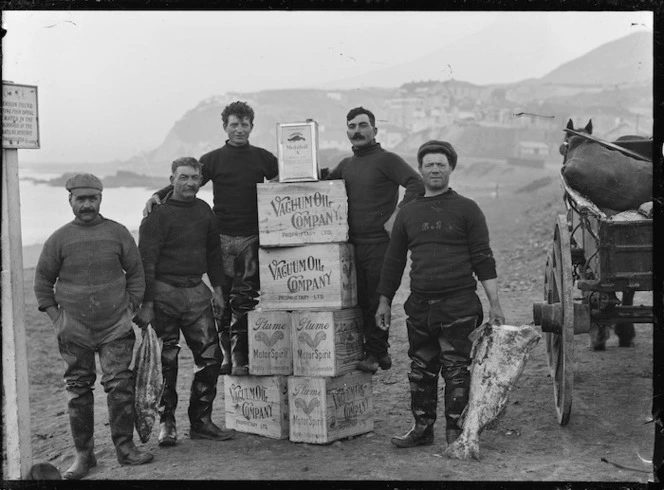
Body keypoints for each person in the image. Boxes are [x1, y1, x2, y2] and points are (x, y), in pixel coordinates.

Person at [374, 140, 505, 448]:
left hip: (459, 304)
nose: (435, 169)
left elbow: (483, 258)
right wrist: (383, 301)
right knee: (420, 369)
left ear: (451, 169)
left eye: (441, 165)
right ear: (420, 170)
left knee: (457, 370)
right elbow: (393, 262)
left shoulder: (467, 209)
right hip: (420, 305)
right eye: (429, 164)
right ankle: (422, 429)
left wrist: (495, 303)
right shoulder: (407, 213)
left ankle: (456, 433)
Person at [144, 101, 279, 376]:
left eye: (244, 125)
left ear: (251, 127)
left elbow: (285, 185)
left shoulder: (264, 158)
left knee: (243, 301)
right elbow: (187, 183)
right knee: (221, 303)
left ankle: (242, 359)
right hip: (220, 238)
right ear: (225, 127)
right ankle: (227, 357)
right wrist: (158, 194)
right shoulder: (214, 159)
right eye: (234, 125)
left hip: (252, 237)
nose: (239, 130)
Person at [34, 173, 153, 480]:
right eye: (80, 199)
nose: (87, 204)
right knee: (77, 388)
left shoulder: (118, 233)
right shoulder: (58, 239)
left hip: (115, 326)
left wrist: (128, 310)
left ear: (101, 199)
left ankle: (125, 449)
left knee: (119, 384)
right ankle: (84, 456)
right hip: (74, 331)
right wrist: (58, 321)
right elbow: (43, 283)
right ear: (70, 200)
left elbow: (136, 275)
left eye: (93, 198)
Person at [134, 157, 237, 447]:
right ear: (172, 179)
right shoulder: (157, 215)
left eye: (194, 177)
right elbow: (146, 263)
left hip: (196, 293)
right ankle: (167, 423)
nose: (190, 183)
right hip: (164, 294)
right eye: (183, 177)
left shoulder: (205, 211)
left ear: (200, 180)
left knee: (211, 357)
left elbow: (214, 254)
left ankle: (201, 421)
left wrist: (217, 289)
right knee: (167, 360)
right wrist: (147, 303)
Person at [326, 106, 424, 374]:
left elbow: (416, 183)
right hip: (351, 244)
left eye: (362, 125)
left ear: (374, 130)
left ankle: (376, 351)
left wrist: (398, 214)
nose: (357, 131)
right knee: (357, 300)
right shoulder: (346, 165)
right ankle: (378, 351)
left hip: (382, 244)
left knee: (378, 298)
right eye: (352, 127)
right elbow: (325, 183)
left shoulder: (387, 160)